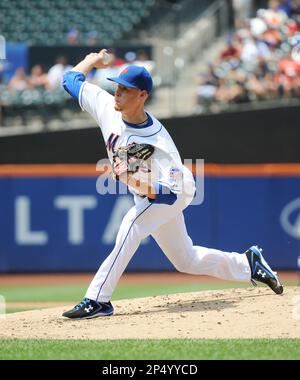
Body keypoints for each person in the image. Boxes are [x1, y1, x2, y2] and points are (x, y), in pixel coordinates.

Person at [61, 49, 283, 320]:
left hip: (175, 191)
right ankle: (248, 264)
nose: (118, 92)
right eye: (117, 86)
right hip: (147, 193)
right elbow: (70, 80)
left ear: (142, 95)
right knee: (185, 259)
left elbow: (166, 194)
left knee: (131, 226)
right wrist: (92, 60)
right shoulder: (106, 105)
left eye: (126, 89)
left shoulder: (158, 143)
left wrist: (131, 178)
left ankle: (97, 300)